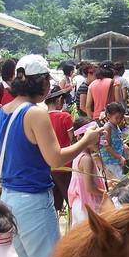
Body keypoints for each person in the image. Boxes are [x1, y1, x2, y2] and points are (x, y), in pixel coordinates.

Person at [0, 54, 105, 257]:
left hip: (9, 197)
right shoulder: (35, 113)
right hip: (31, 200)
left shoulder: (4, 111)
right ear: (43, 83)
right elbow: (54, 158)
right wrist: (85, 142)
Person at [68, 116, 106, 225]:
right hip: (88, 206)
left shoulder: (78, 155)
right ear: (79, 137)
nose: (98, 140)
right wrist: (107, 193)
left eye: (98, 135)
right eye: (94, 136)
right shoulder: (86, 159)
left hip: (80, 204)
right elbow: (90, 188)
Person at [46, 85, 74, 215]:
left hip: (48, 165)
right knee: (71, 200)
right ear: (59, 99)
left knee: (54, 203)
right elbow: (72, 139)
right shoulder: (65, 117)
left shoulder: (42, 117)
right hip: (65, 164)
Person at [99, 101, 127, 179]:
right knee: (115, 179)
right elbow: (107, 147)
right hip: (110, 160)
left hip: (116, 157)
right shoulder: (108, 127)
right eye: (117, 118)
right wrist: (119, 157)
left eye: (121, 118)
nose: (119, 120)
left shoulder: (116, 125)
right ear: (108, 116)